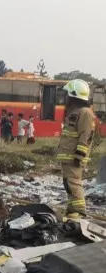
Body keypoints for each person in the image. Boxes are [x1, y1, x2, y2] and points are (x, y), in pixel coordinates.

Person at [57, 79, 95, 219]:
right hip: (68, 155)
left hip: (74, 157)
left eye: (68, 94)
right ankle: (72, 210)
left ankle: (79, 212)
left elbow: (86, 135)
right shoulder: (76, 111)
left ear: (74, 95)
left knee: (73, 183)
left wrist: (80, 155)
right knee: (68, 183)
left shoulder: (85, 112)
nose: (66, 97)